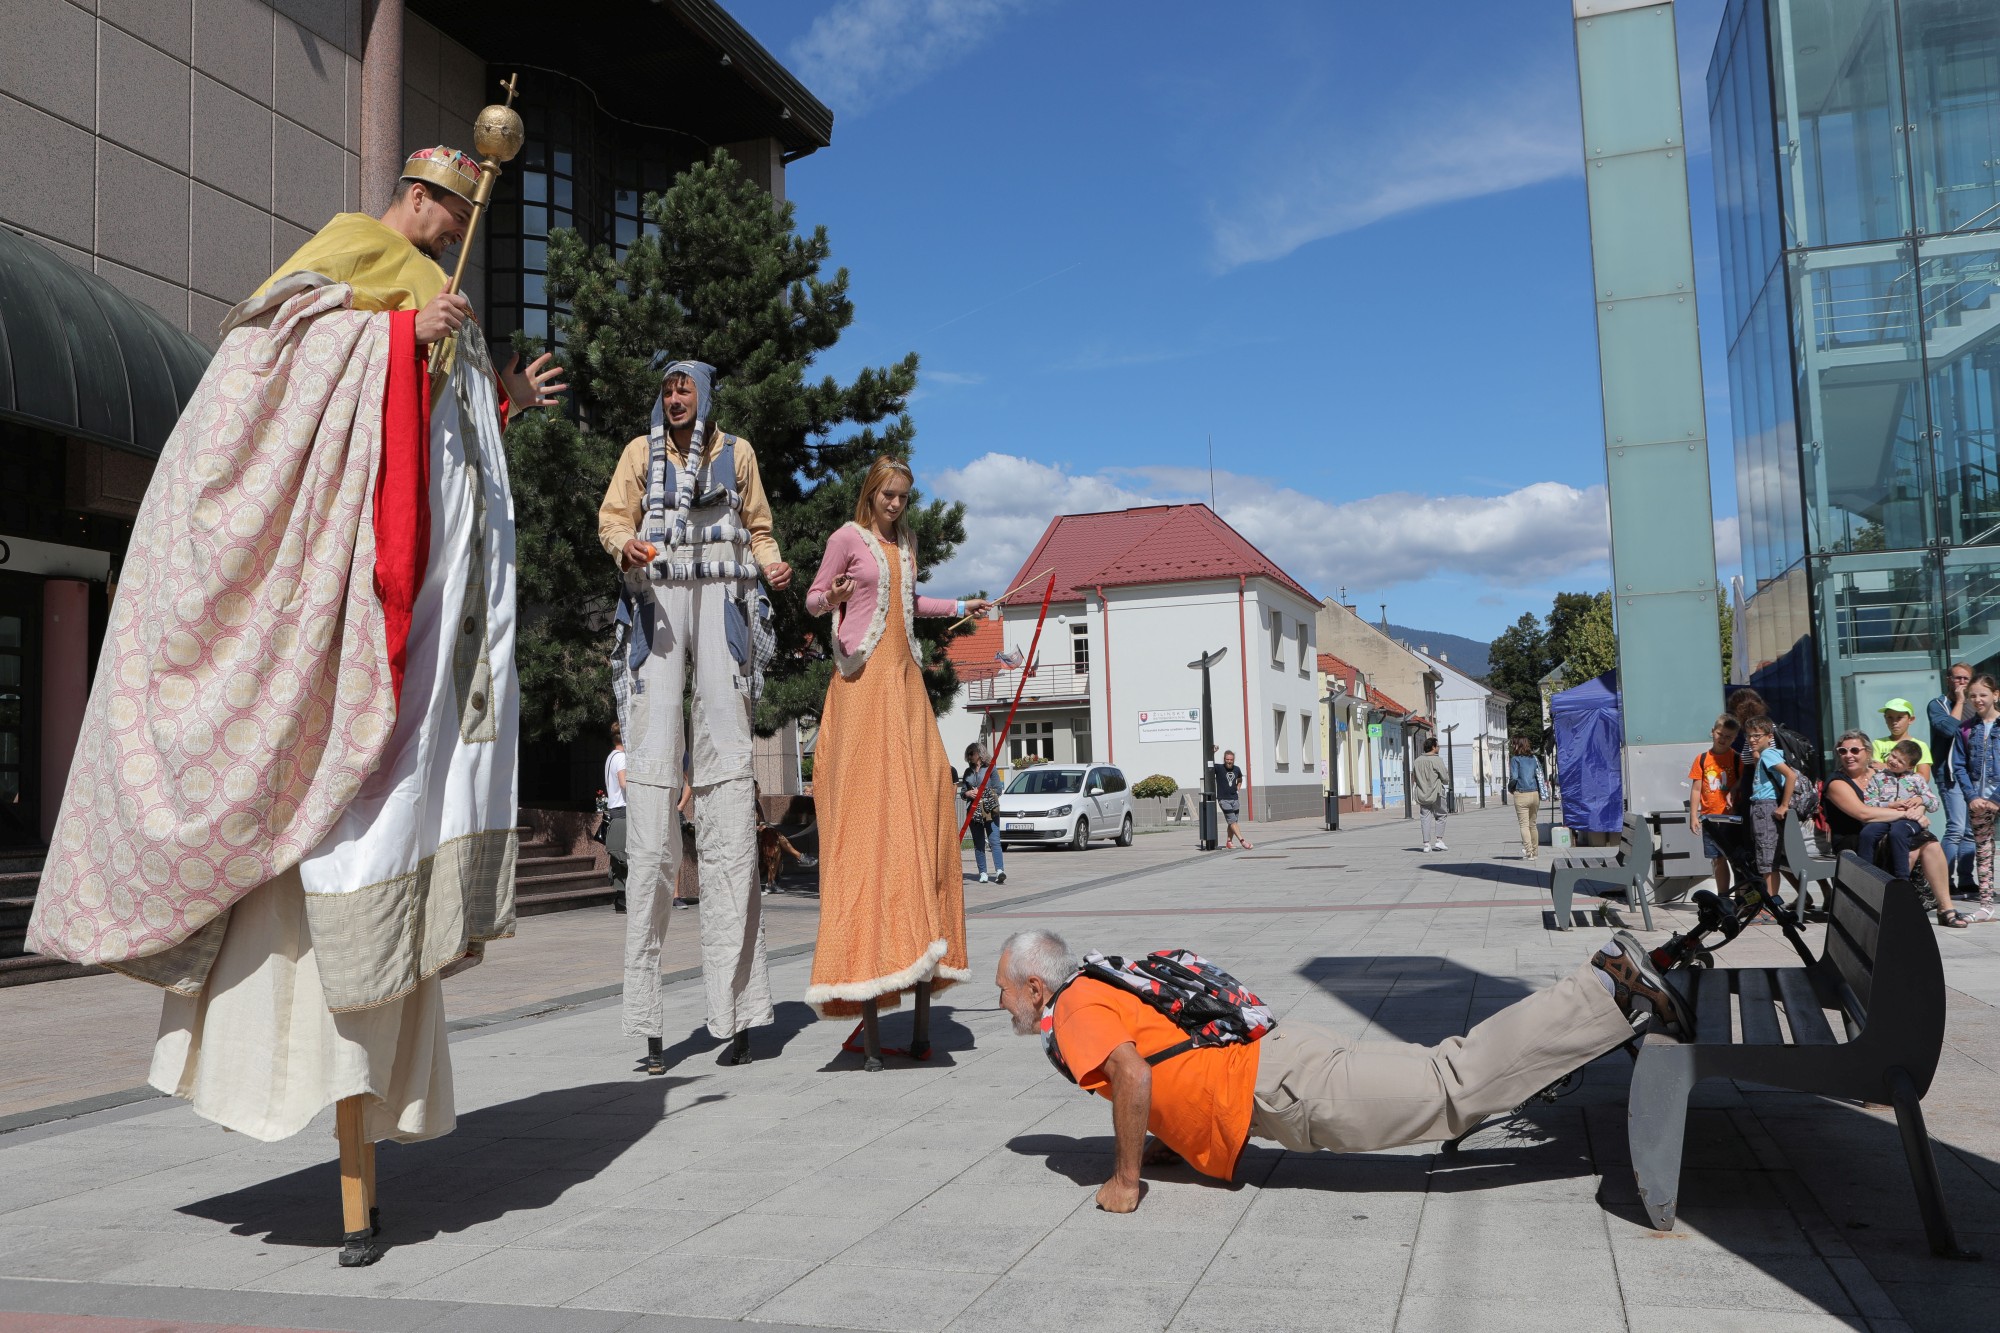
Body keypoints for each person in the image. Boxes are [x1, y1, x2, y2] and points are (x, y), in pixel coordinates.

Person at [24, 145, 563, 1262]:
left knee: (366, 917)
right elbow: (263, 381)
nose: (452, 223)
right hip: (330, 627)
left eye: (465, 211)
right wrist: (393, 340)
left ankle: (363, 1173)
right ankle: (340, 1169)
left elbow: (435, 476)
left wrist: (493, 396)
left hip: (401, 640)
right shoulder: (348, 262)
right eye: (449, 206)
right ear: (417, 198)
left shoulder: (435, 294)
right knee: (303, 927)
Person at [993, 927, 1691, 1212]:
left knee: (1450, 1085)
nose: (1002, 1005)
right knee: (1445, 1071)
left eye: (1003, 990)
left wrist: (1124, 1177)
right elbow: (1158, 1049)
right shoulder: (1096, 980)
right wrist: (1168, 1141)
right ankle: (1608, 989)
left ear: (1033, 985)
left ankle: (1604, 992)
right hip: (1278, 1057)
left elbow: (1134, 1075)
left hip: (1281, 1084)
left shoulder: (1074, 1008)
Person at [599, 360, 793, 1072]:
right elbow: (613, 519)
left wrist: (770, 566)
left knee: (728, 789)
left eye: (685, 388)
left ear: (704, 394)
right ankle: (651, 1026)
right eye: (667, 389)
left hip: (721, 601)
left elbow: (761, 528)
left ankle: (738, 1011)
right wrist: (627, 545)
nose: (675, 398)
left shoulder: (736, 453)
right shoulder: (635, 455)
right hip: (658, 600)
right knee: (650, 804)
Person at [803, 456, 992, 1069]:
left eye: (904, 497)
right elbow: (812, 600)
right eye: (888, 495)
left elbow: (913, 602)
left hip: (905, 687)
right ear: (871, 492)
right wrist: (827, 597)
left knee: (926, 804)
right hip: (862, 690)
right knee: (870, 821)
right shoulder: (845, 539)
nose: (896, 505)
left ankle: (915, 981)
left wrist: (964, 603)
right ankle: (870, 991)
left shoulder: (906, 542)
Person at [1824, 730, 1968, 928]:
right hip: (1856, 838)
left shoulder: (1883, 773)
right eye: (1843, 751)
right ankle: (1895, 900)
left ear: (1867, 752)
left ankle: (1945, 907)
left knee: (1930, 842)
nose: (1849, 755)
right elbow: (1864, 814)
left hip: (1888, 829)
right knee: (1912, 846)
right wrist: (1907, 814)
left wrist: (1918, 809)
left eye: (1855, 750)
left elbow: (1917, 794)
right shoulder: (1837, 782)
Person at [1857, 740, 1941, 880]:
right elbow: (1869, 802)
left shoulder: (1916, 779)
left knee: (1898, 833)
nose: (1894, 761)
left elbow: (1934, 804)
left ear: (1910, 766)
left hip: (1907, 819)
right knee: (1868, 833)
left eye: (1901, 761)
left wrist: (1921, 799)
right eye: (1893, 756)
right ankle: (1864, 874)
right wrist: (1889, 805)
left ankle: (1901, 877)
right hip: (1885, 817)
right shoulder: (1878, 778)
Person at [1929, 663, 1977, 895]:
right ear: (1948, 679)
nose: (1961, 683)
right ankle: (1945, 880)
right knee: (1956, 827)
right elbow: (1949, 730)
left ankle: (1967, 880)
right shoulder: (1937, 705)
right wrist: (1959, 701)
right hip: (1949, 773)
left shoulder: (1976, 707)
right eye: (1957, 678)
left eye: (1966, 679)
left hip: (1972, 776)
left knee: (1970, 830)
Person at [1738, 718, 1797, 902]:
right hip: (1760, 806)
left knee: (1768, 860)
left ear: (1769, 737)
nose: (1752, 739)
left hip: (1766, 806)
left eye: (1757, 735)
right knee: (1765, 858)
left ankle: (1771, 905)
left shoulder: (1769, 754)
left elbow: (1790, 775)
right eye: (1749, 736)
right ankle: (1768, 901)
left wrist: (1784, 805)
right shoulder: (1764, 755)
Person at [1959, 675, 2000, 924]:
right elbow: (1959, 765)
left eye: (1983, 694)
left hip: (1995, 795)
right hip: (1979, 798)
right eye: (1973, 695)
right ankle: (1986, 905)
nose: (1977, 700)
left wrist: (1997, 796)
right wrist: (1971, 795)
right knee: (1983, 850)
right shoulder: (1965, 728)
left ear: (1996, 695)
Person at [1687, 716, 1743, 892]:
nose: (1723, 738)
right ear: (1713, 732)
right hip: (1710, 818)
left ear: (1734, 738)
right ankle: (1723, 896)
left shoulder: (1737, 759)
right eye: (1720, 734)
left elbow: (1744, 780)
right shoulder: (1702, 759)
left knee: (1736, 859)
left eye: (1728, 736)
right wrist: (1693, 815)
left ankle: (1741, 896)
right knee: (1717, 859)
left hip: (1731, 818)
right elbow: (1696, 789)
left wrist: (1734, 788)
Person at [961, 741, 1007, 885]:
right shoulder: (968, 772)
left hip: (989, 810)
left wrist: (981, 792)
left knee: (994, 841)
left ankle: (999, 871)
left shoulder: (990, 769)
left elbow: (998, 789)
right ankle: (983, 872)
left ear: (979, 754)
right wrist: (968, 793)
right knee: (978, 843)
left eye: (971, 753)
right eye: (968, 754)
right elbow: (963, 792)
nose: (969, 757)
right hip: (973, 811)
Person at [755, 783, 814, 895]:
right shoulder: (746, 804)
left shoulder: (756, 803)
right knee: (774, 837)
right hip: (753, 836)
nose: (760, 791)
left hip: (762, 835)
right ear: (752, 790)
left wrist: (762, 825)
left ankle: (772, 883)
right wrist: (758, 827)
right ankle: (799, 856)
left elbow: (761, 820)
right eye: (758, 789)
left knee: (774, 843)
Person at [1506, 737, 1549, 861]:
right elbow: (1539, 775)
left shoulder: (1515, 759)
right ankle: (1535, 852)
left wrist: (1510, 788)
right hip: (1535, 794)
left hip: (1521, 794)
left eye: (1514, 744)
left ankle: (1529, 852)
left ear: (1518, 746)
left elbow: (1514, 777)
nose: (1512, 746)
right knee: (1533, 825)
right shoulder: (1534, 759)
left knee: (1524, 825)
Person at [1875, 699, 1933, 780]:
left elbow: (1924, 777)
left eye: (1899, 717)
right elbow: (1874, 770)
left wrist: (1886, 767)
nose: (1894, 722)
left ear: (1911, 719)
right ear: (1885, 718)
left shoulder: (1921, 746)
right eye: (1890, 717)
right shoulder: (1877, 743)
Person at [606, 722, 629, 914]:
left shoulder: (611, 757)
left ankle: (622, 899)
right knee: (624, 857)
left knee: (619, 858)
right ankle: (623, 899)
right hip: (623, 810)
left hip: (615, 811)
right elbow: (624, 783)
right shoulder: (621, 758)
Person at [1411, 737, 1450, 852]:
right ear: (1433, 747)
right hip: (1436, 792)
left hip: (1422, 793)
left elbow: (1414, 777)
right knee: (1441, 815)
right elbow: (1444, 777)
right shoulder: (1437, 760)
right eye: (1437, 746)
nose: (1438, 748)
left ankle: (1426, 844)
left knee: (1425, 818)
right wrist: (1446, 781)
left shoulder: (1417, 760)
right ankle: (1439, 840)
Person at [1212, 749, 1251, 849]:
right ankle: (1242, 841)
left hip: (1234, 799)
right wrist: (1212, 752)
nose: (1229, 761)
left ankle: (1229, 841)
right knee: (1232, 821)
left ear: (1234, 760)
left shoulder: (1237, 769)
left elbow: (1240, 778)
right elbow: (1209, 764)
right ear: (1224, 759)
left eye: (1231, 760)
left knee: (1233, 822)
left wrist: (1238, 786)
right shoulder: (1219, 768)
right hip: (1223, 799)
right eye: (1227, 759)